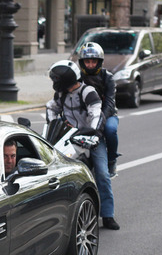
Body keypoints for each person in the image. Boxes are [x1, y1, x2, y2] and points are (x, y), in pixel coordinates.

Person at [46, 60, 120, 230]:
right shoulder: (61, 94)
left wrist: (91, 132)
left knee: (102, 173)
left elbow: (96, 114)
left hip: (91, 139)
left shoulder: (88, 92)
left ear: (66, 78)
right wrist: (52, 125)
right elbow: (51, 108)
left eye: (56, 79)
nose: (55, 83)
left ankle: (108, 215)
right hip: (68, 138)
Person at [78, 42, 120, 178]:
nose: (90, 65)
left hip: (107, 114)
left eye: (93, 61)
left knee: (110, 129)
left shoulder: (108, 78)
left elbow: (109, 104)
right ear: (82, 62)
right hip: (84, 115)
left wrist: (99, 121)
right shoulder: (77, 77)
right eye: (87, 61)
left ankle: (112, 159)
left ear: (99, 62)